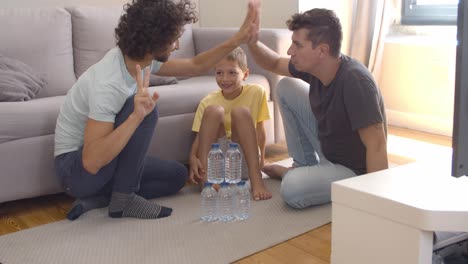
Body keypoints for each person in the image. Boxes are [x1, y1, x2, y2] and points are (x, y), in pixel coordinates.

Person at [54, 0, 261, 220]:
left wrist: (238, 39)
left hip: (102, 166)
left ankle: (102, 200)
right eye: (174, 39)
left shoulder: (139, 60)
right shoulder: (108, 83)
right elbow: (92, 161)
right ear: (155, 40)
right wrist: (136, 117)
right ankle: (124, 199)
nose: (178, 45)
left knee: (176, 176)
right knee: (146, 110)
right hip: (77, 173)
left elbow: (195, 66)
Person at [247, 8, 388, 209]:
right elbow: (274, 62)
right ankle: (302, 166)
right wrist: (251, 41)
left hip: (353, 170)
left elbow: (377, 145)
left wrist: (374, 204)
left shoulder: (355, 81)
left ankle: (294, 175)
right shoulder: (317, 67)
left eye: (297, 45)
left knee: (291, 189)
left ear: (321, 50)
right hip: (329, 146)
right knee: (286, 87)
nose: (290, 51)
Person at [189, 47, 272, 201]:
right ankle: (208, 180)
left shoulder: (257, 92)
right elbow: (200, 138)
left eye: (232, 72)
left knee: (241, 112)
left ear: (245, 74)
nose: (225, 79)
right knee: (214, 111)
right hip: (217, 163)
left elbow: (260, 130)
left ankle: (256, 180)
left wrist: (262, 160)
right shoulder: (207, 101)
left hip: (244, 160)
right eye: (219, 73)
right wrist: (192, 157)